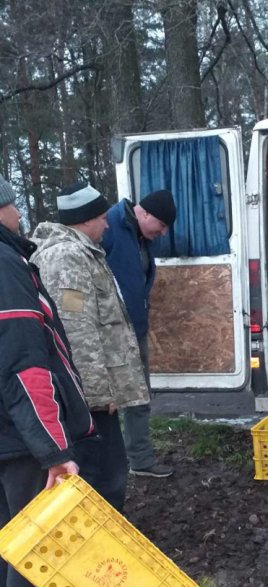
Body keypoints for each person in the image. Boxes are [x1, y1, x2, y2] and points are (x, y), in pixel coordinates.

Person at [0, 174, 99, 587]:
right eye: (12, 204)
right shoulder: (5, 265)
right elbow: (23, 367)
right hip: (16, 439)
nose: (18, 214)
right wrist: (54, 451)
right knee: (29, 549)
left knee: (4, 544)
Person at [31, 183, 148, 513]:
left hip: (91, 394)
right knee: (104, 476)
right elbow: (75, 330)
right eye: (102, 217)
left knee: (110, 472)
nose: (108, 224)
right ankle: (100, 549)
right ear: (84, 220)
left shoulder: (81, 252)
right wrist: (96, 395)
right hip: (89, 401)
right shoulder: (66, 258)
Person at [102, 190, 177, 478]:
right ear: (143, 213)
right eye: (161, 225)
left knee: (139, 397)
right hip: (110, 332)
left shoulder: (143, 237)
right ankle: (105, 464)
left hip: (136, 329)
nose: (164, 232)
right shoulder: (109, 225)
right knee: (105, 401)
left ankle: (140, 460)